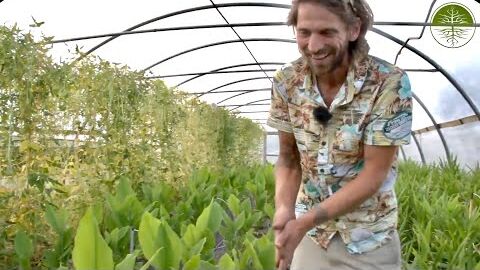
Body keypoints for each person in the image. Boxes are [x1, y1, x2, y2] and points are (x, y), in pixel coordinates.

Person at [267, 0, 413, 269]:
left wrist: (303, 222)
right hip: (311, 238)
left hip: (367, 238)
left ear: (353, 29)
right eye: (304, 32)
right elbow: (288, 158)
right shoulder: (286, 81)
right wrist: (284, 208)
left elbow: (374, 174)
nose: (313, 46)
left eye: (327, 32)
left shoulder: (388, 83)